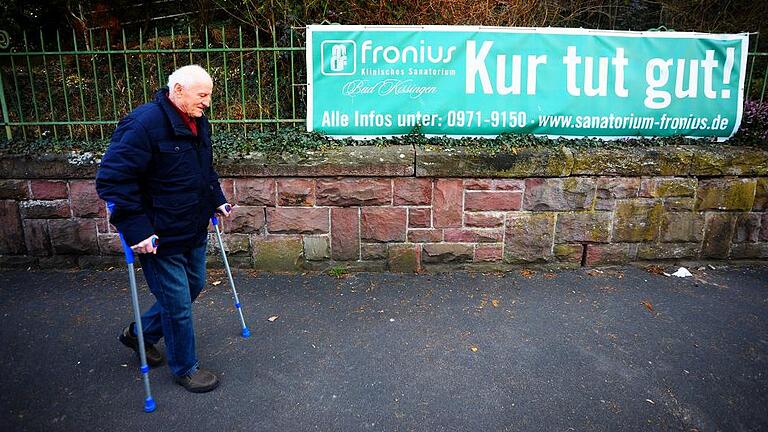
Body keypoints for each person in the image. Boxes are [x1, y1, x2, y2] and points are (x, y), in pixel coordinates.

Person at [96, 65, 232, 393]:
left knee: (194, 285)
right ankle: (185, 368)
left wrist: (217, 198)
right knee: (178, 305)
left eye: (210, 95)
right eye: (203, 95)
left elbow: (204, 168)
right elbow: (113, 180)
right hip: (159, 237)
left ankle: (139, 335)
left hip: (192, 226)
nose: (208, 103)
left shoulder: (197, 120)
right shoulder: (142, 124)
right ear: (179, 90)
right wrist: (136, 229)